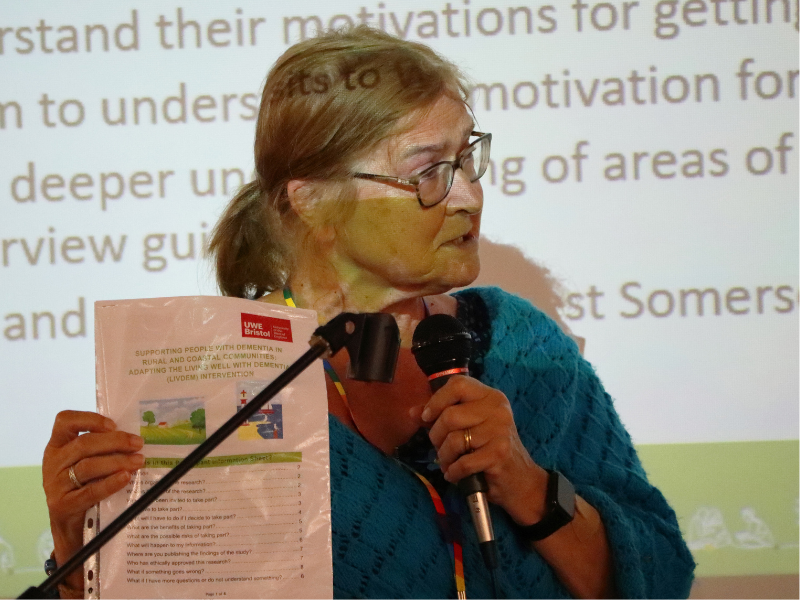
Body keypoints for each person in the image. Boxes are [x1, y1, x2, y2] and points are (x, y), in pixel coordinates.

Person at [42, 26, 695, 600]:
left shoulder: (522, 345)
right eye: (428, 172)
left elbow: (660, 578)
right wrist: (80, 566)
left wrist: (525, 484)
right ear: (314, 201)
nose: (469, 195)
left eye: (467, 158)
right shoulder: (211, 373)